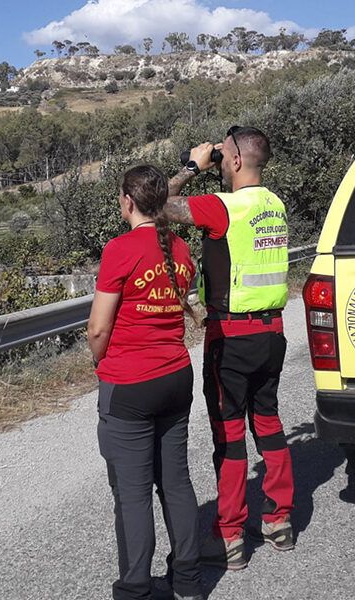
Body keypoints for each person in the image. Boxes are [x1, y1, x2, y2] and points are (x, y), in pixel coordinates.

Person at [164, 126, 295, 571]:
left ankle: (230, 536)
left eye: (222, 158)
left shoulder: (225, 207)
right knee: (270, 424)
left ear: (236, 161)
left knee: (230, 434)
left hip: (231, 339)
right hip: (272, 333)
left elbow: (151, 205)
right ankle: (279, 520)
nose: (218, 165)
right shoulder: (274, 205)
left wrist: (191, 167)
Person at [87, 165, 204, 600]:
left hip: (130, 383)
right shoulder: (181, 248)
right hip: (176, 375)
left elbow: (98, 329)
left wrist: (101, 362)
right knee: (175, 481)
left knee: (133, 493)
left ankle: (136, 588)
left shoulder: (120, 249)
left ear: (127, 202)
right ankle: (189, 581)